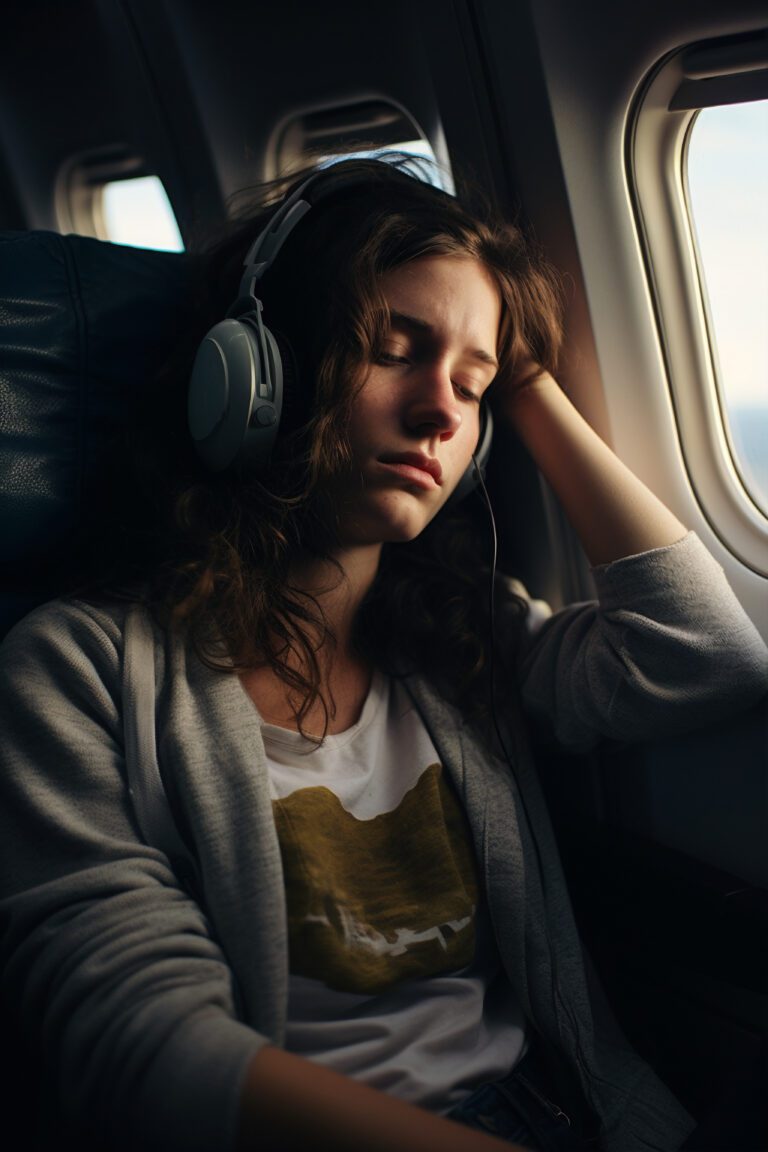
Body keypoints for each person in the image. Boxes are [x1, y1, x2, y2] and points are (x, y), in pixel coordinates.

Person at [0, 157, 766, 1152]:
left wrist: (523, 381)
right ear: (258, 371)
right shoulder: (70, 676)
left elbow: (706, 653)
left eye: (472, 389)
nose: (442, 412)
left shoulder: (458, 641)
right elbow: (151, 1054)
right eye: (394, 349)